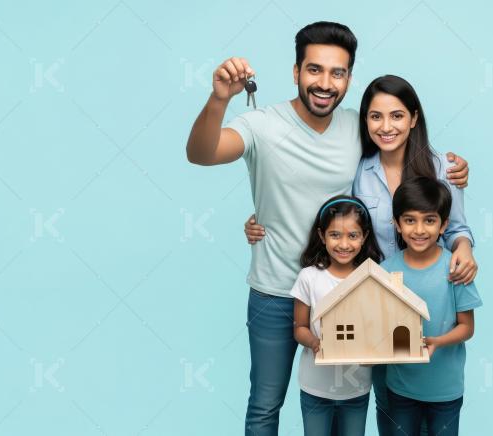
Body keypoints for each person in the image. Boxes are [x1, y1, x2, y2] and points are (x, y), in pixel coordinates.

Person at [186, 21, 469, 435]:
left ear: (349, 78)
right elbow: (201, 154)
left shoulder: (358, 128)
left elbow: (405, 163)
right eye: (314, 70)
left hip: (345, 296)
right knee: (266, 404)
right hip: (274, 290)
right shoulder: (262, 124)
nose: (325, 82)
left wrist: (452, 170)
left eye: (337, 73)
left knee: (355, 402)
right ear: (296, 71)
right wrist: (218, 99)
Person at [245, 74, 478, 435]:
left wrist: (464, 249)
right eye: (375, 117)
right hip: (374, 303)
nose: (386, 127)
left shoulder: (444, 168)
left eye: (397, 116)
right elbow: (330, 213)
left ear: (414, 118)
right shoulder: (358, 167)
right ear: (364, 121)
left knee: (426, 392)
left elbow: (457, 228)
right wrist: (266, 220)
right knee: (389, 402)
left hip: (431, 297)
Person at [381, 177, 482, 436]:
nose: (419, 229)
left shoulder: (456, 269)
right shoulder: (385, 271)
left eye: (429, 220)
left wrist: (437, 341)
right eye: (410, 220)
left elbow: (467, 327)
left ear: (443, 225)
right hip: (401, 388)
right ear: (397, 224)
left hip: (445, 390)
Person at [290, 195, 382, 435]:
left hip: (357, 388)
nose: (344, 244)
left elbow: (377, 328)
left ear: (364, 237)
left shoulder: (371, 277)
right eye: (335, 235)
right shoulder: (309, 277)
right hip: (315, 387)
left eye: (352, 235)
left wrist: (375, 351)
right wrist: (315, 343)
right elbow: (299, 327)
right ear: (322, 236)